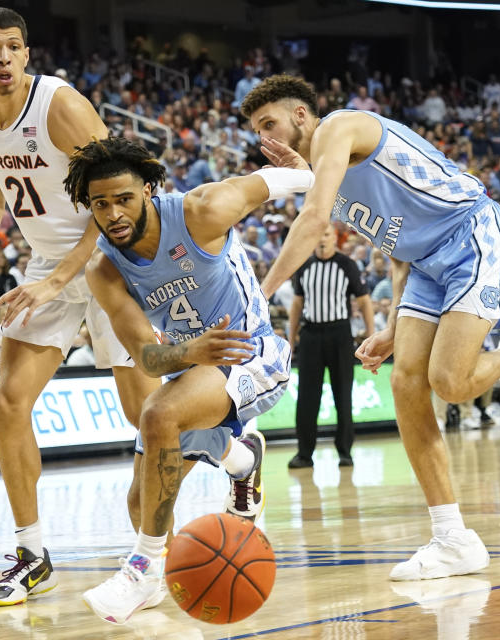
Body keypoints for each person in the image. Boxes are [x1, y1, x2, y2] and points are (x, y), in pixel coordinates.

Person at [0, 8, 251, 608]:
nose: (2, 57)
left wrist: (62, 281)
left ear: (27, 54)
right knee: (9, 400)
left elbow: (117, 197)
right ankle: (32, 553)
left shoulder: (59, 105)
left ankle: (233, 456)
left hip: (108, 258)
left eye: (13, 47)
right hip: (48, 267)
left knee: (148, 417)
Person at [241, 75, 500, 581]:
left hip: (471, 234)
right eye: (255, 131)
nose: (263, 139)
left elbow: (312, 222)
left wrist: (258, 295)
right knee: (406, 384)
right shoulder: (324, 175)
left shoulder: (339, 127)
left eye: (269, 124)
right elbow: (397, 246)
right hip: (423, 264)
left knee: (450, 380)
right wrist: (397, 323)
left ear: (299, 116)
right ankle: (452, 539)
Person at [67, 137, 308, 624]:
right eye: (100, 204)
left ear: (150, 190)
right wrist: (189, 351)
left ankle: (140, 569)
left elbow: (272, 183)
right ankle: (241, 460)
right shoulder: (103, 269)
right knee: (140, 502)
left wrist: (306, 170)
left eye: (124, 199)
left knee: (158, 413)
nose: (112, 213)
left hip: (251, 353)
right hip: (189, 364)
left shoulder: (202, 209)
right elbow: (148, 358)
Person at [287, 223, 373, 468]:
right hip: (311, 334)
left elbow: (364, 301)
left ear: (334, 238)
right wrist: (291, 339)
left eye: (325, 235)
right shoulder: (304, 265)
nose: (321, 240)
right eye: (317, 235)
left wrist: (370, 335)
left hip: (339, 333)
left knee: (342, 394)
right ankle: (304, 453)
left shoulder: (347, 265)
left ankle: (345, 451)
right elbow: (296, 304)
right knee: (306, 398)